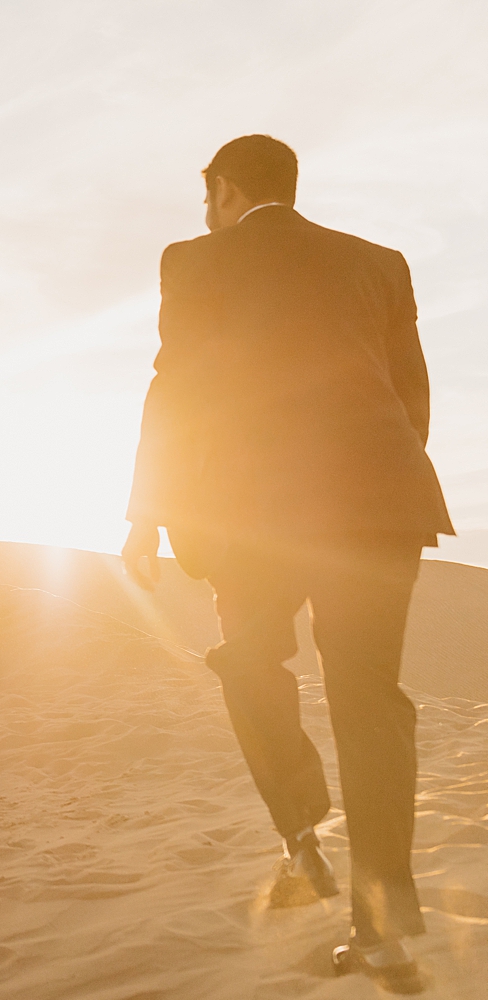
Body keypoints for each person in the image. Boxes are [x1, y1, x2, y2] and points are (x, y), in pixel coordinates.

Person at [121, 135, 452, 993]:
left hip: (258, 514)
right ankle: (383, 935)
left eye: (207, 200)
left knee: (246, 661)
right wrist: (377, 487)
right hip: (381, 504)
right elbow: (411, 393)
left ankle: (302, 834)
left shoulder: (193, 262)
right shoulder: (381, 264)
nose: (204, 216)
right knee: (371, 700)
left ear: (226, 191)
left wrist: (147, 514)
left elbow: (176, 388)